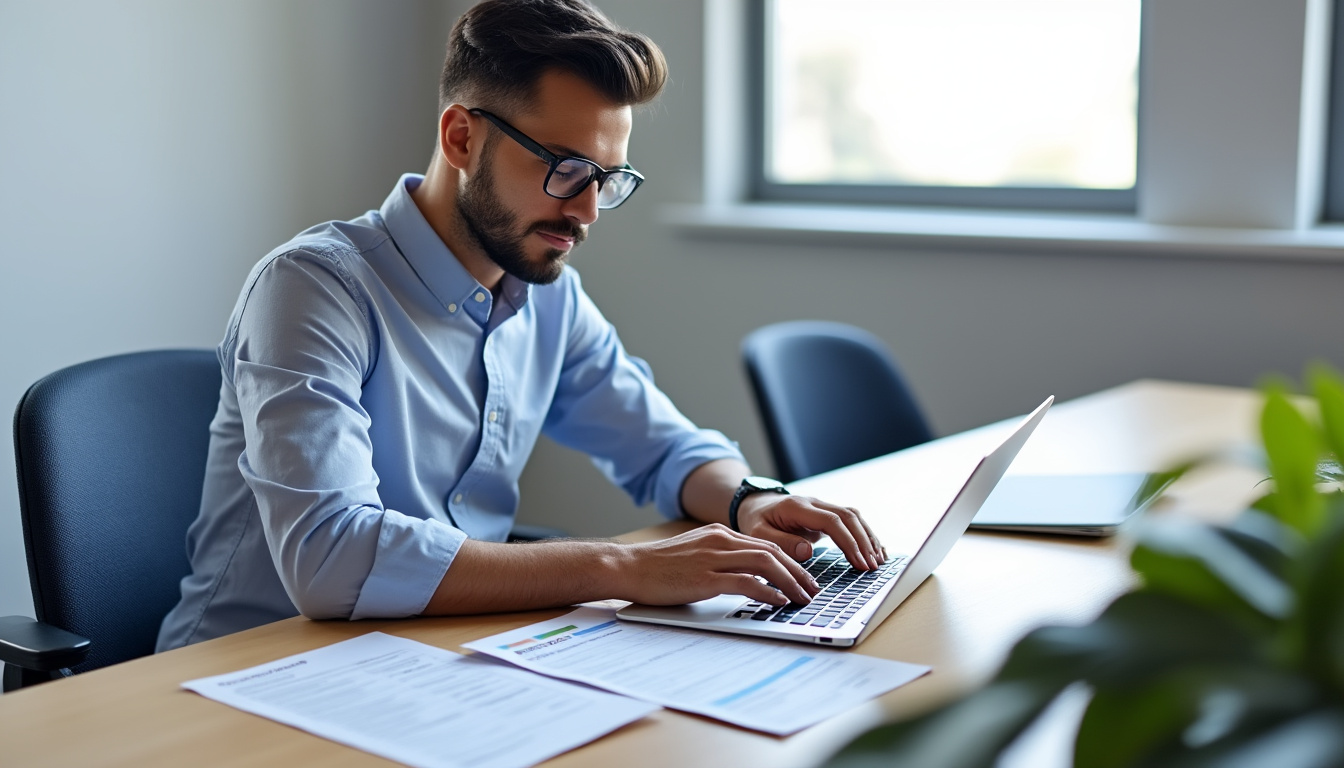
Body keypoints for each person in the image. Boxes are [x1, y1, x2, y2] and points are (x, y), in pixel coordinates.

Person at [158, 0, 884, 651]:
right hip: (241, 677)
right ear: (462, 138)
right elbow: (331, 560)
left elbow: (663, 448)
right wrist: (623, 567)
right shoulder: (313, 288)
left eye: (607, 179)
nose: (588, 211)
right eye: (565, 169)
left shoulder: (546, 295)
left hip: (426, 662)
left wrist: (751, 500)